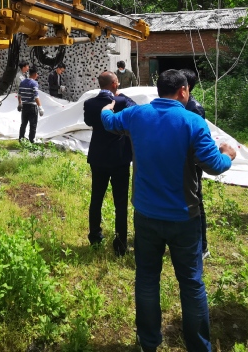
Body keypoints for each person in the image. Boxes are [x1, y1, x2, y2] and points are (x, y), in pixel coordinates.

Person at [101, 69, 237, 352]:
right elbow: (215, 165)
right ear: (183, 91)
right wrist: (228, 154)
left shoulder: (137, 115)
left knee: (147, 279)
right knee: (191, 283)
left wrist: (106, 106)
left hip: (146, 214)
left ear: (159, 90)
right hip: (183, 217)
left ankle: (149, 342)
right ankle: (198, 346)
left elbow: (109, 122)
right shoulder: (193, 121)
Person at [83, 70, 135, 256]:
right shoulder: (121, 102)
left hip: (98, 157)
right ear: (114, 84)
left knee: (96, 197)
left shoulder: (89, 103)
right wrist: (121, 95)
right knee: (120, 202)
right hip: (119, 158)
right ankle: (120, 243)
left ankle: (95, 237)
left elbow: (88, 122)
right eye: (117, 82)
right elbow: (136, 108)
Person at [180, 68, 209, 260]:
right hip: (181, 162)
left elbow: (197, 142)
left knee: (195, 200)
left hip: (192, 164)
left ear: (186, 87)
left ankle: (202, 246)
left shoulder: (194, 108)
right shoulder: (182, 105)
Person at [17, 68, 43, 143]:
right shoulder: (34, 83)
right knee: (33, 124)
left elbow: (19, 94)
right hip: (32, 107)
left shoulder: (22, 82)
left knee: (23, 124)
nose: (37, 75)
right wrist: (40, 107)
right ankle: (32, 140)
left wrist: (20, 103)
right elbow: (36, 96)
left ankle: (21, 139)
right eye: (37, 74)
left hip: (24, 106)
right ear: (34, 74)